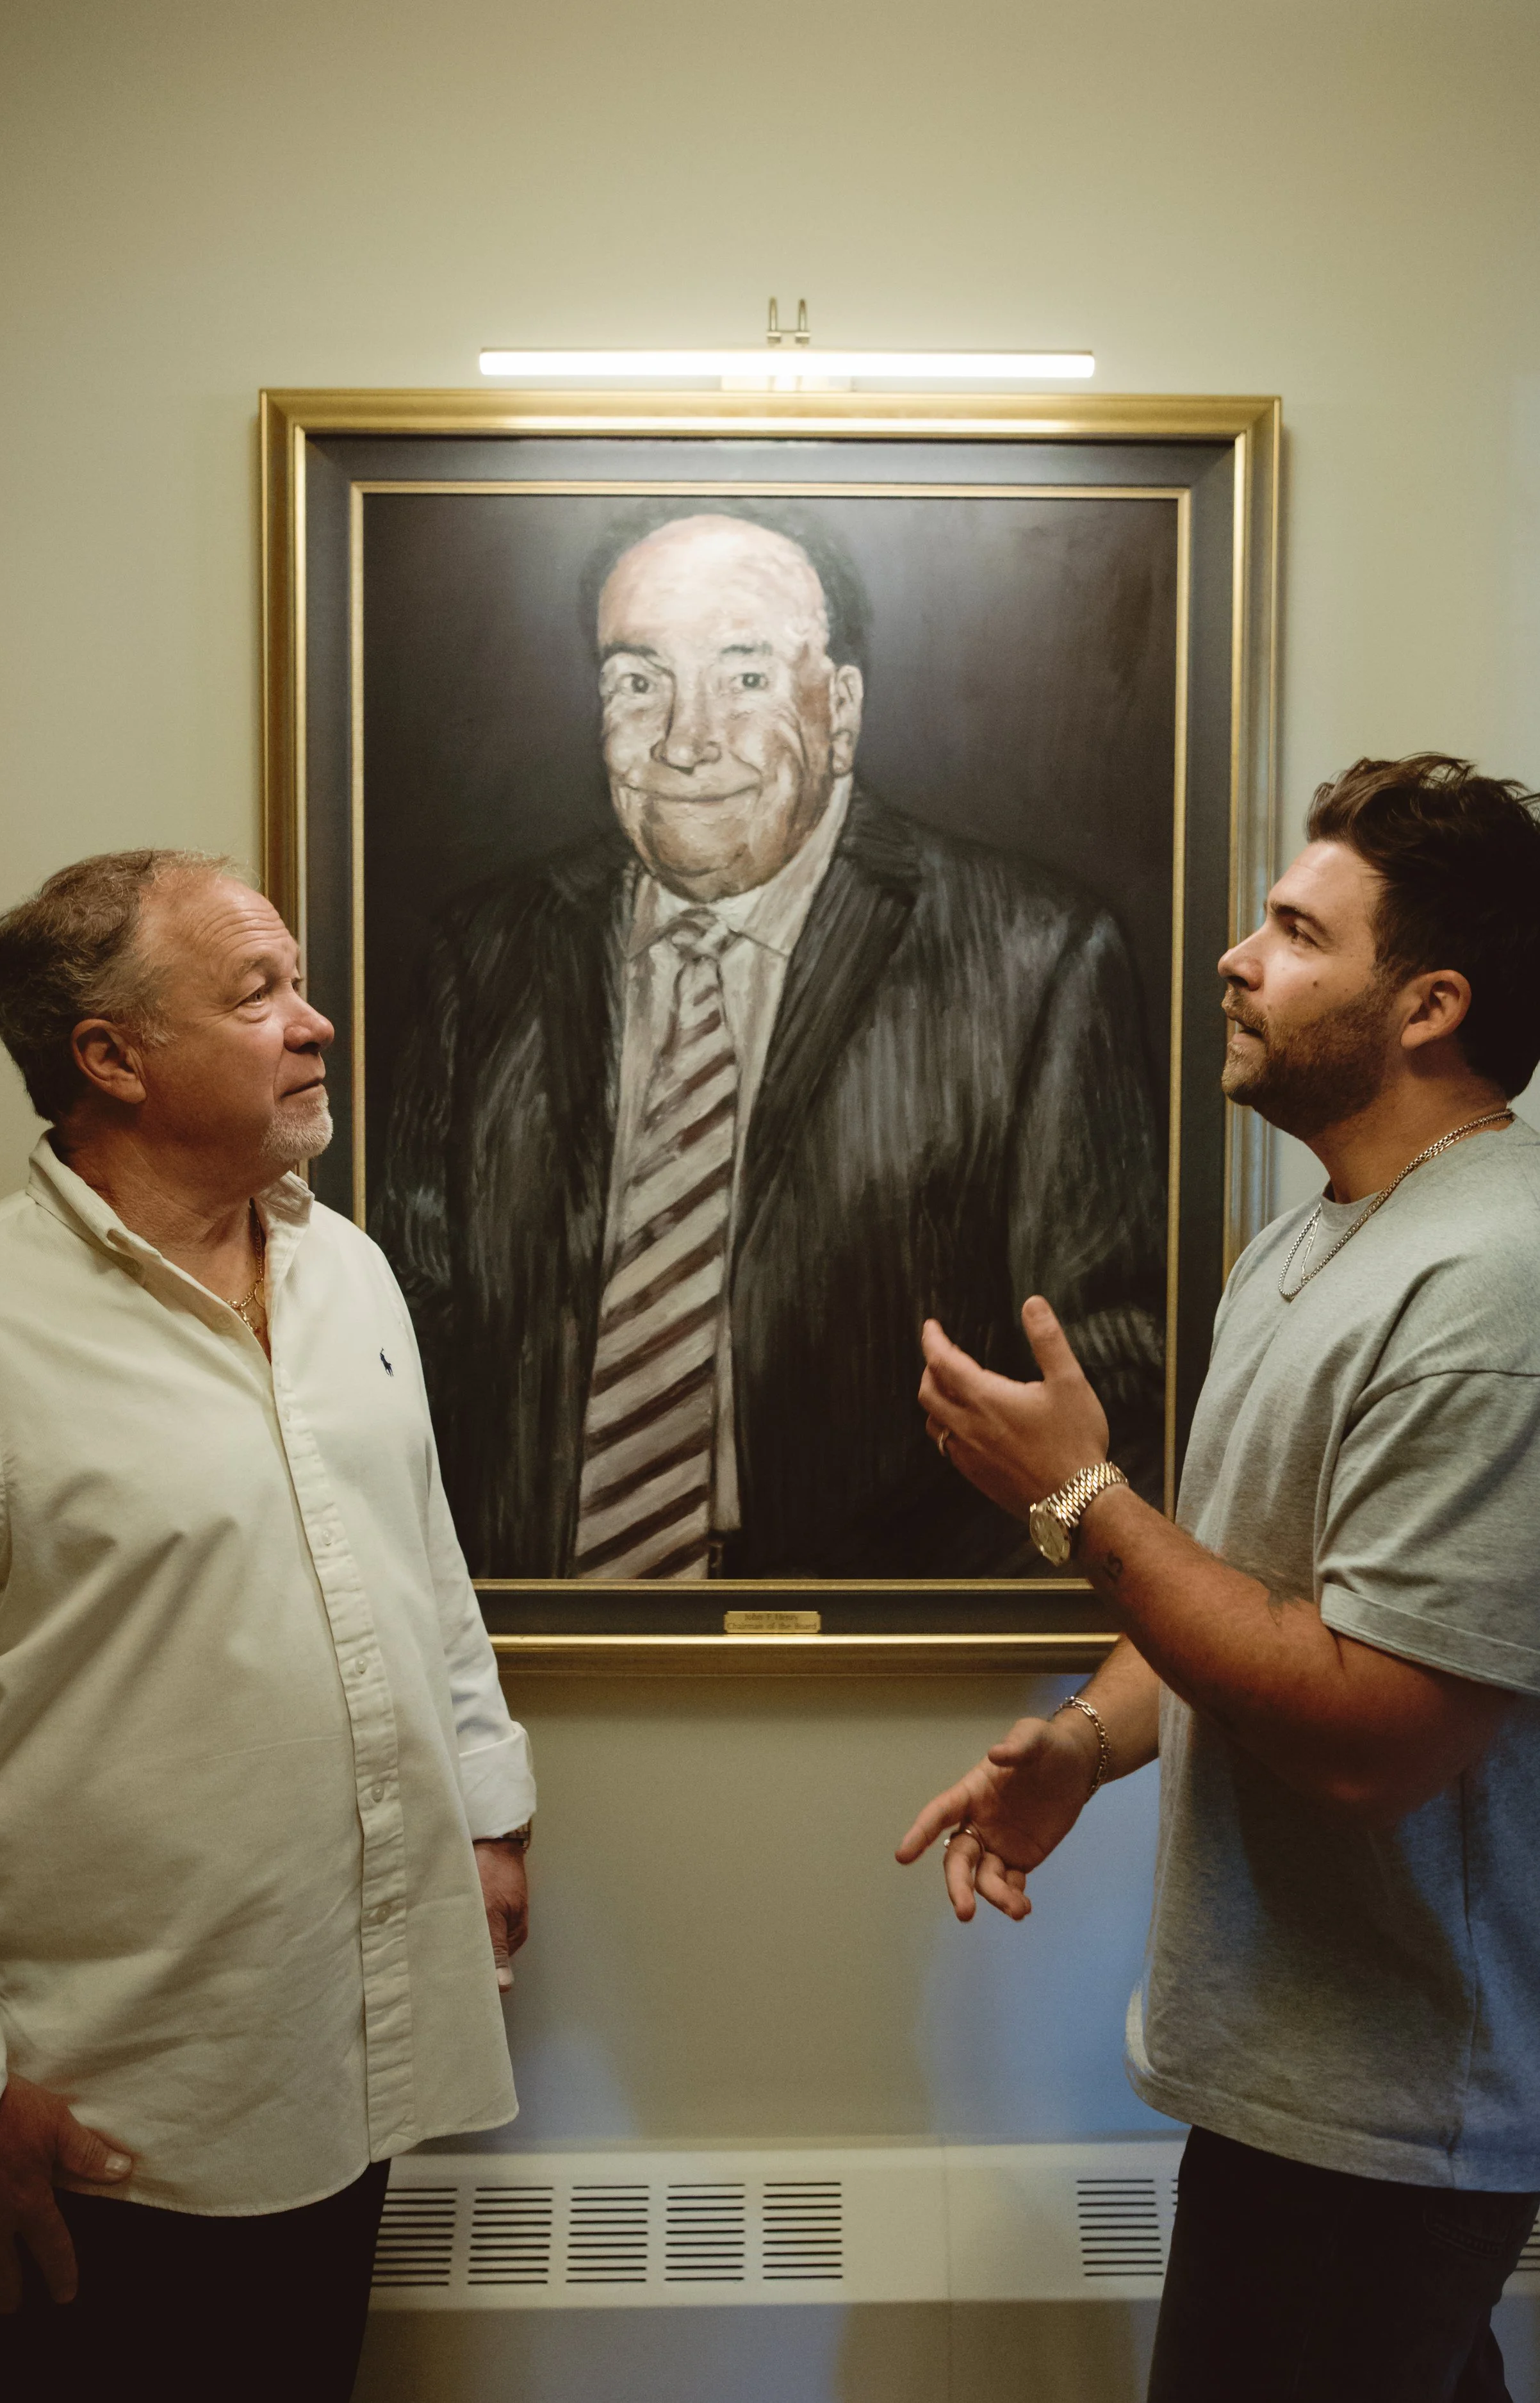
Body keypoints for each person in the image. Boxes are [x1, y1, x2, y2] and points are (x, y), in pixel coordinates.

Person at [899, 754, 1540, 2403]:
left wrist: (1075, 1499)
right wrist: (1085, 1740)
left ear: (1429, 1007)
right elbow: (1239, 1593)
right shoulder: (1307, 1240)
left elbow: (1372, 1735)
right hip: (1293, 2077)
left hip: (1390, 2110)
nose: (1234, 959)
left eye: (1295, 934)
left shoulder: (1492, 1287)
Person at [0, 850, 536, 2402]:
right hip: (98, 2123)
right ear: (113, 1057)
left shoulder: (349, 1273)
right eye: (257, 993)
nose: (314, 1022)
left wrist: (488, 1816)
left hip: (345, 2055)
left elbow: (424, 1566)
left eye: (299, 984)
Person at [379, 505, 1165, 1581]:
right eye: (638, 681)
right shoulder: (485, 954)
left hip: (901, 1641)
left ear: (839, 712)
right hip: (531, 1634)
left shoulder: (1035, 957)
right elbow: (406, 1343)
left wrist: (943, 1639)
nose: (685, 739)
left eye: (745, 676)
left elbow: (1107, 1385)